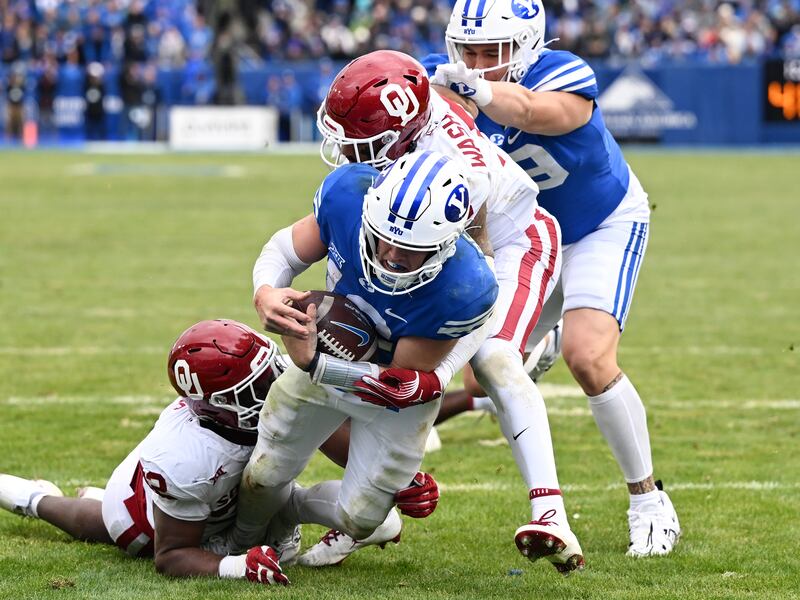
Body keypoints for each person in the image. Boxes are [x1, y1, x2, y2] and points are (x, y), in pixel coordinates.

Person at [308, 50, 584, 573]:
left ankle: (550, 514)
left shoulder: (461, 174)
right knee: (372, 362)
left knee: (494, 360)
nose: (345, 148)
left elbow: (471, 290)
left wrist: (438, 375)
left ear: (402, 135)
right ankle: (364, 508)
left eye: (360, 139)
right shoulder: (417, 120)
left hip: (508, 244)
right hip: (431, 248)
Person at [427, 0, 681, 557]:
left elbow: (535, 112)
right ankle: (546, 340)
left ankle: (648, 500)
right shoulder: (440, 79)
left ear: (525, 46)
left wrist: (472, 91)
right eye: (466, 51)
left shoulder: (562, 72)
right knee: (484, 379)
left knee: (588, 357)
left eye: (490, 52)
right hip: (524, 241)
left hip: (598, 225)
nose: (475, 63)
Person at [229, 150, 499, 578]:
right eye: (384, 237)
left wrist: (314, 363)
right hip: (321, 356)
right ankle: (237, 544)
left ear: (446, 245)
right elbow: (284, 249)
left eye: (411, 249)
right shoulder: (347, 195)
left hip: (391, 391)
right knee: (265, 471)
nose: (391, 255)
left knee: (359, 518)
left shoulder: (463, 287)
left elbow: (391, 386)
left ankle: (291, 514)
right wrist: (266, 292)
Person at [0, 319, 292, 585]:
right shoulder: (187, 459)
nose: (275, 384)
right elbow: (172, 555)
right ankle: (35, 501)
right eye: (259, 386)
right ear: (220, 403)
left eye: (270, 370)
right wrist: (238, 567)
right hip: (135, 513)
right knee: (106, 523)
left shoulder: (223, 414)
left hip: (199, 488)